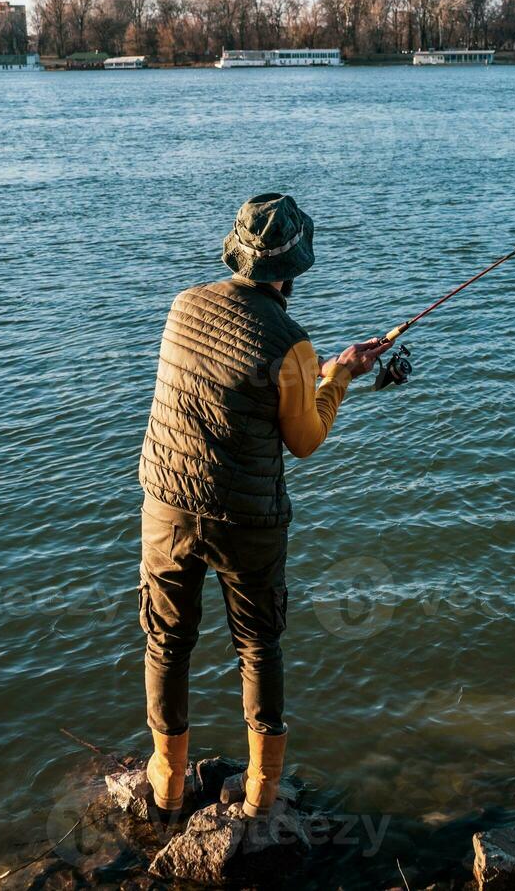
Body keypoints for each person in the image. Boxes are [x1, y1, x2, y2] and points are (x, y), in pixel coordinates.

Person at [136, 193, 392, 820]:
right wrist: (339, 376)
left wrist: (319, 372)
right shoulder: (292, 342)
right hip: (246, 522)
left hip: (166, 507)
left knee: (167, 644)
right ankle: (261, 798)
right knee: (258, 647)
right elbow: (303, 439)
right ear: (293, 270)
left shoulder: (182, 306)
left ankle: (167, 785)